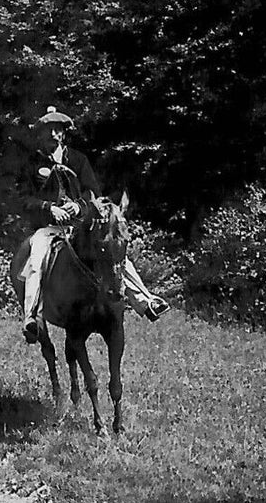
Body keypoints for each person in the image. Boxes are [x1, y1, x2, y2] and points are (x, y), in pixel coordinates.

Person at [17, 106, 168, 342]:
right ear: (41, 134)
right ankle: (32, 317)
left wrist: (78, 206)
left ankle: (146, 301)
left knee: (115, 253)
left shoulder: (78, 159)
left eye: (58, 131)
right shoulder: (31, 164)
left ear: (64, 134)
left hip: (80, 227)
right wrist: (49, 208)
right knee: (36, 261)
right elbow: (23, 200)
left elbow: (93, 194)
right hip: (48, 229)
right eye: (48, 131)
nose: (53, 135)